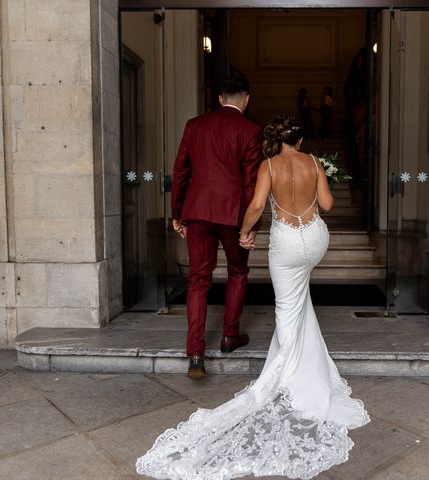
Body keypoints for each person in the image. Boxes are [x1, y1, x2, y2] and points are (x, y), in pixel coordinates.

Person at [136, 115, 370, 480]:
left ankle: (289, 374)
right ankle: (309, 362)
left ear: (276, 141)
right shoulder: (312, 162)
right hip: (315, 240)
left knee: (287, 306)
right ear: (302, 139)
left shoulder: (269, 165)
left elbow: (258, 205)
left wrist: (245, 232)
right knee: (300, 299)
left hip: (288, 244)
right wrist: (319, 182)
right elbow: (327, 205)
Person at [170, 73, 262, 380]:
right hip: (233, 214)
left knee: (198, 279)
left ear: (219, 98)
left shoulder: (194, 125)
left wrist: (177, 213)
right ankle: (229, 336)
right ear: (246, 100)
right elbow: (251, 183)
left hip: (197, 211)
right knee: (237, 271)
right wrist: (251, 226)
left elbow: (180, 170)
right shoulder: (250, 130)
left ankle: (195, 351)